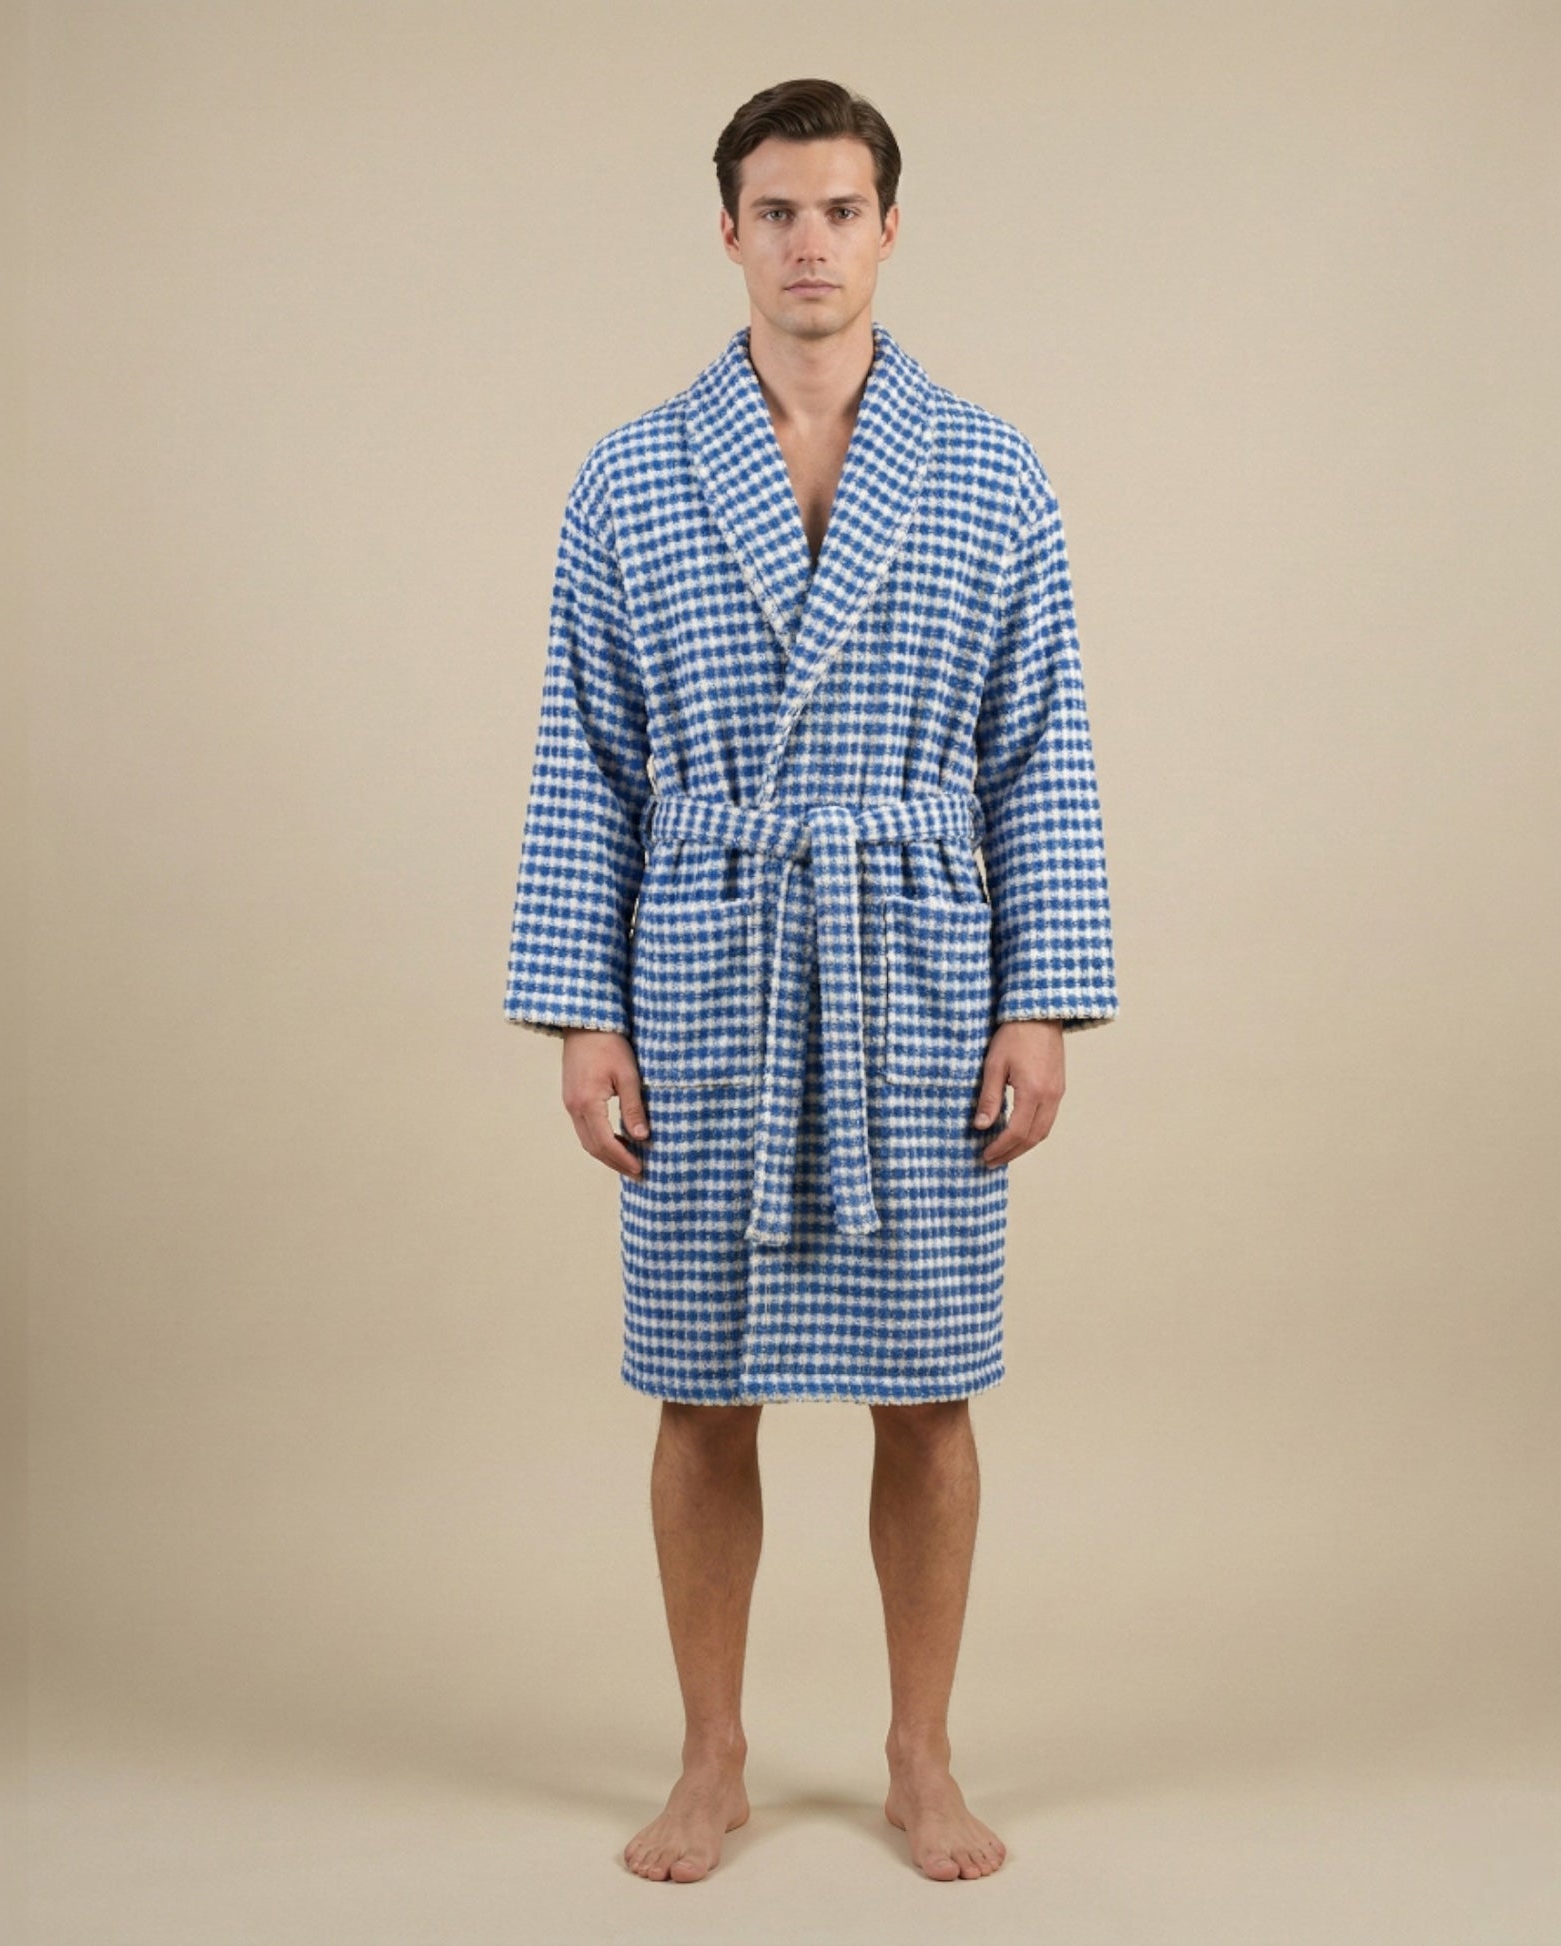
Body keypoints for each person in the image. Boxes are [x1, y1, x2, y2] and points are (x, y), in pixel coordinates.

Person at [503, 77, 1119, 1883]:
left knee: (928, 1385)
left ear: (889, 229)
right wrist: (585, 1012)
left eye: (840, 210)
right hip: (706, 959)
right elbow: (583, 760)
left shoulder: (990, 469)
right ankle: (712, 1756)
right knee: (701, 1386)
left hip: (914, 962)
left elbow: (1039, 753)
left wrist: (1037, 999)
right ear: (728, 233)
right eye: (774, 211)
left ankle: (922, 1754)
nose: (808, 244)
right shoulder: (629, 474)